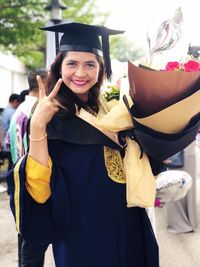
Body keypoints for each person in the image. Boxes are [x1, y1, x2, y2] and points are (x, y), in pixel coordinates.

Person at [6, 21, 200, 267]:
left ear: (101, 67)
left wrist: (157, 150)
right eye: (72, 64)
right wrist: (37, 127)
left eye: (90, 64)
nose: (80, 73)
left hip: (129, 221)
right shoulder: (51, 115)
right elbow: (39, 191)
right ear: (59, 66)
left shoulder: (115, 105)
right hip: (83, 234)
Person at [6, 69, 48, 267]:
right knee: (33, 243)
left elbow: (9, 143)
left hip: (17, 176)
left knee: (24, 233)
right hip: (31, 179)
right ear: (42, 83)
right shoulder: (38, 110)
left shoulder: (20, 109)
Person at [166, 141, 198, 233]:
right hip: (184, 146)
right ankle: (189, 221)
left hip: (178, 145)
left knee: (176, 185)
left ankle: (182, 223)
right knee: (181, 184)